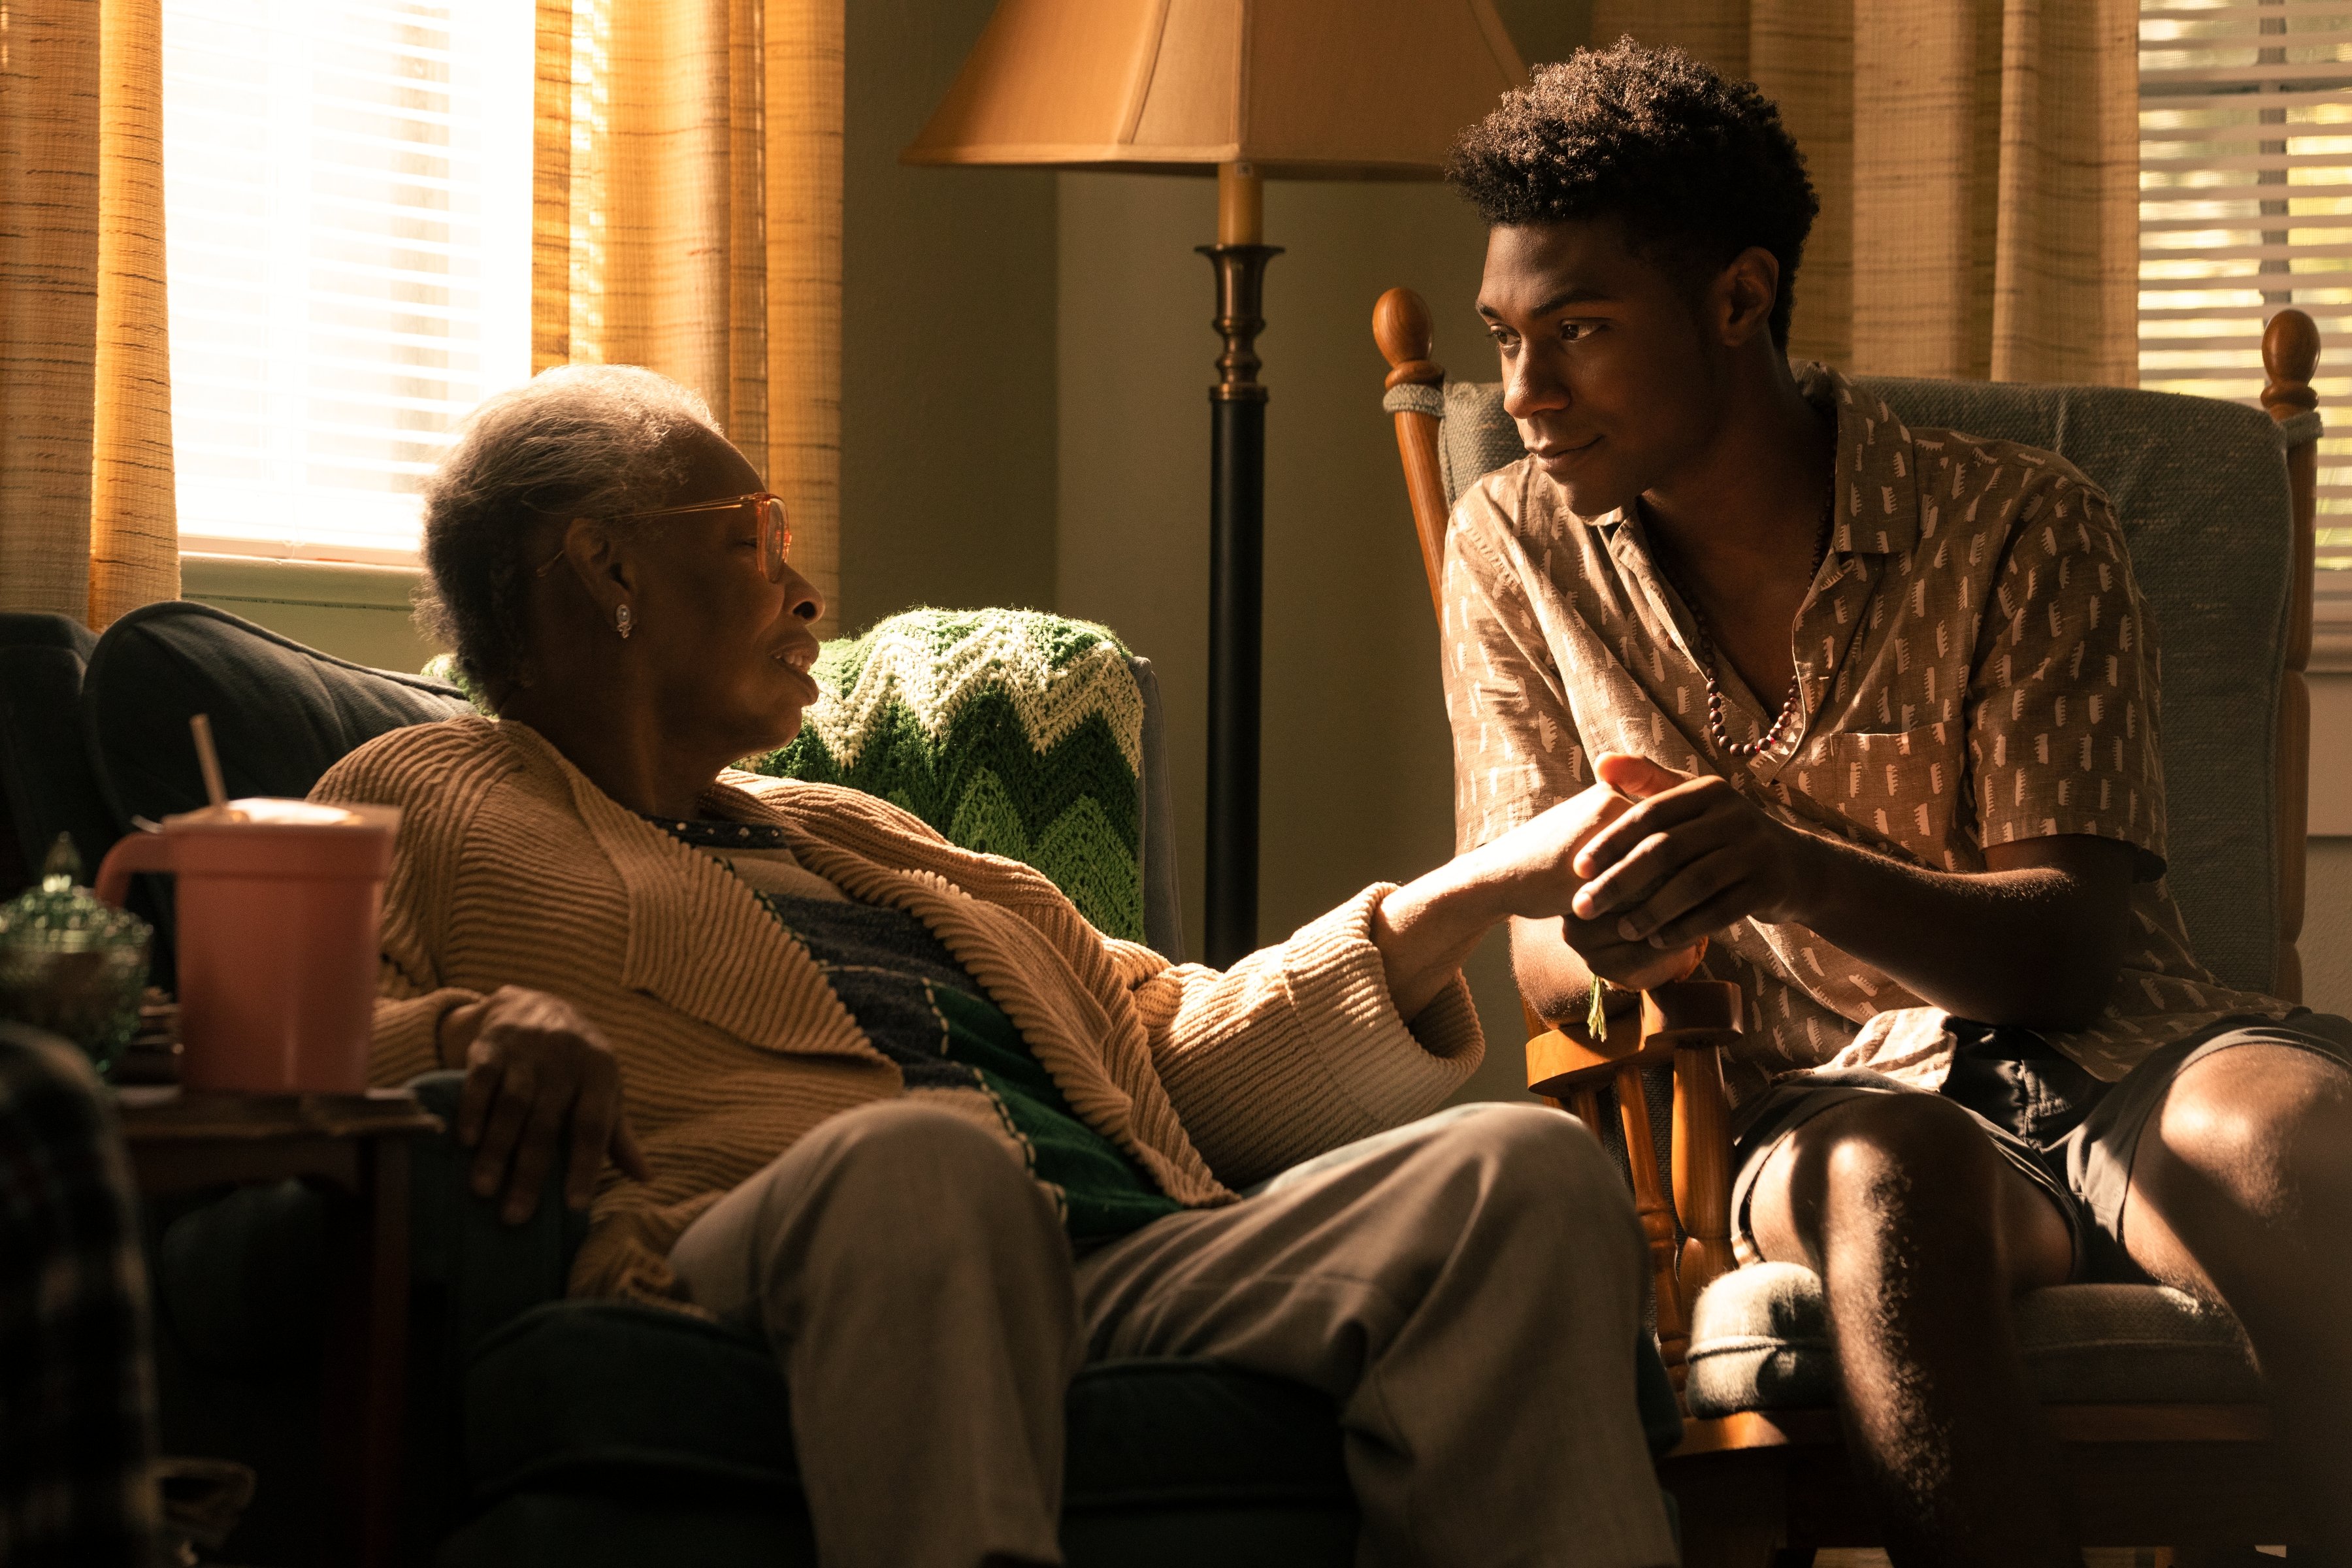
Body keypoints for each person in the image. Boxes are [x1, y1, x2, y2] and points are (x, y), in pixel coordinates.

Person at [310, 363, 1680, 1568]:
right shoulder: (425, 788)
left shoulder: (860, 835)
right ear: (607, 570)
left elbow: (1168, 1052)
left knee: (1524, 1168)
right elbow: (249, 1039)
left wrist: (1470, 893)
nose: (805, 590)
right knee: (929, 1160)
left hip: (1120, 1256)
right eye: (752, 538)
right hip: (760, 1253)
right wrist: (470, 1034)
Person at [1436, 39, 2352, 1568]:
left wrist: (1781, 868)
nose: (1525, 391)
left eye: (1578, 331)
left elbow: (2064, 957)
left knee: (2289, 1134)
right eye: (1504, 337)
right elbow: (1535, 936)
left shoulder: (2019, 523)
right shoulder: (1514, 547)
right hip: (1818, 1098)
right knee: (1890, 1181)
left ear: (1739, 300)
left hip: (2123, 1055)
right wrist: (1622, 932)